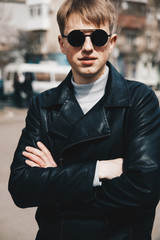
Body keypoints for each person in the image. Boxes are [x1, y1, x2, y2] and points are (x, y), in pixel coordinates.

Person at [8, 0, 160, 239]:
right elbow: (21, 187)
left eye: (98, 37)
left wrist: (56, 179)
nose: (88, 47)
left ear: (111, 43)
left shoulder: (139, 100)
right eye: (77, 38)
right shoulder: (44, 105)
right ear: (62, 43)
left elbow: (144, 190)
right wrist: (98, 170)